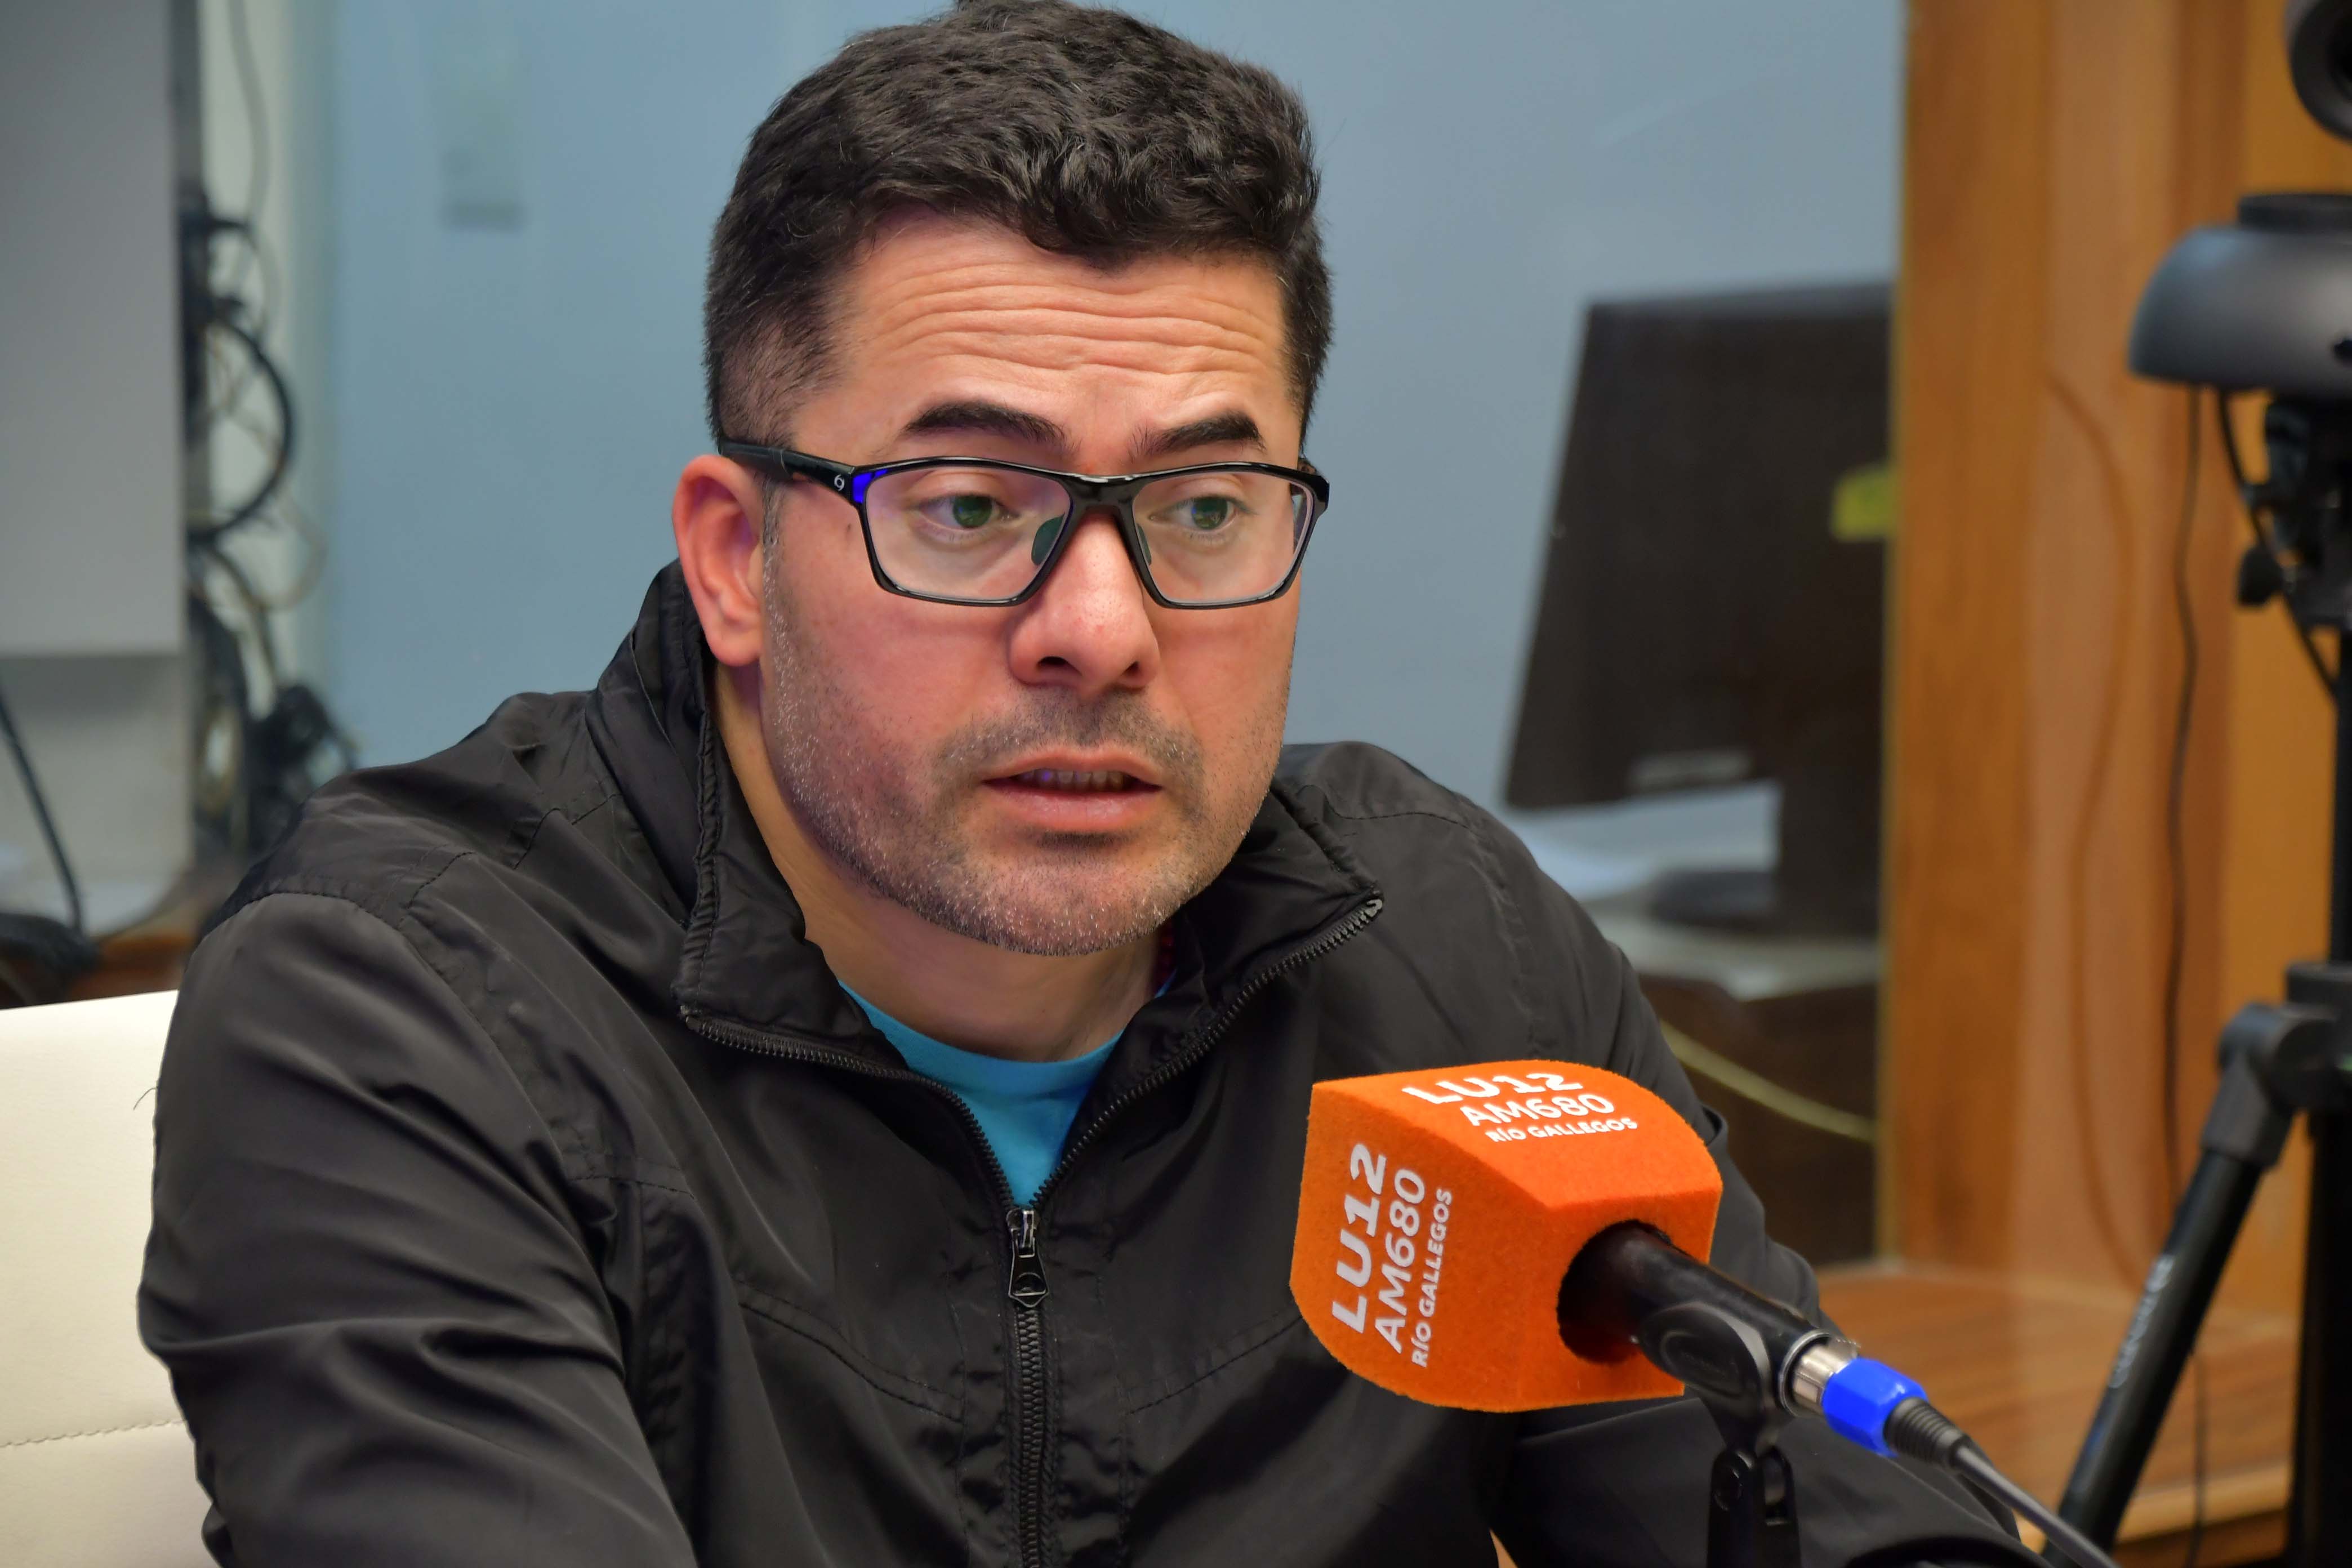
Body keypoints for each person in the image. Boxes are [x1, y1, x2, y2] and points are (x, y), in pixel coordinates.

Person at [140, 3, 2035, 1564]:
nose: (1103, 628)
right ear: (734, 560)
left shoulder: (1450, 958)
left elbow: (1825, 1524)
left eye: (1206, 508)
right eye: (973, 508)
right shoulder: (403, 1012)